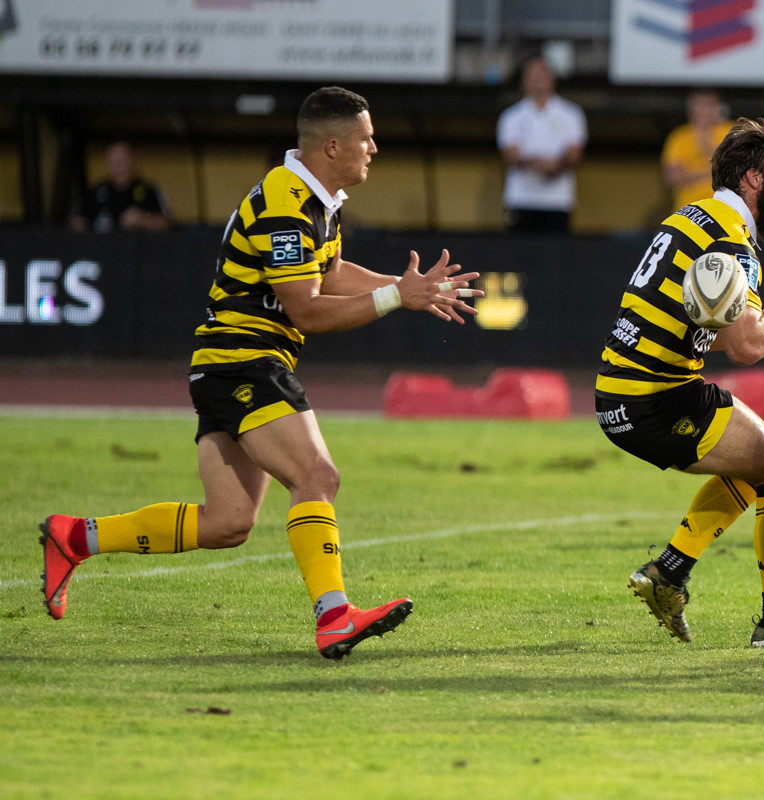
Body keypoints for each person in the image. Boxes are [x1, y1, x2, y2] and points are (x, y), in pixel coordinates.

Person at [39, 86, 483, 660]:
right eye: (366, 138)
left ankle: (74, 537)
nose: (374, 148)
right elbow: (307, 309)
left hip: (227, 364)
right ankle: (334, 617)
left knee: (227, 522)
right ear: (332, 145)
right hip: (242, 360)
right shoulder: (285, 203)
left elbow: (330, 271)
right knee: (317, 476)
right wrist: (397, 296)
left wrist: (407, 288)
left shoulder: (313, 198)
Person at [597, 117, 764, 649]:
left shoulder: (689, 218)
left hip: (621, 390)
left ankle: (669, 572)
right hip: (657, 397)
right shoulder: (731, 242)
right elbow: (748, 347)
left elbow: (721, 335)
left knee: (761, 462)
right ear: (752, 179)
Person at [496, 56, 588, 233]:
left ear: (553, 78)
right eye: (532, 75)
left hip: (558, 201)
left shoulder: (571, 114)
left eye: (542, 73)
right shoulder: (511, 116)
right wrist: (537, 163)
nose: (538, 79)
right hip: (521, 199)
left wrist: (555, 166)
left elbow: (575, 154)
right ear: (523, 81)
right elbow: (510, 156)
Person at [69, 140, 171, 233]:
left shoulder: (148, 190)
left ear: (133, 160)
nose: (120, 167)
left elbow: (167, 223)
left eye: (124, 161)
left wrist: (142, 219)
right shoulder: (95, 192)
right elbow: (75, 220)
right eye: (115, 162)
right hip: (101, 246)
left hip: (137, 246)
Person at [661, 88, 735, 210]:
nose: (702, 111)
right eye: (698, 105)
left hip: (725, 209)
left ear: (718, 107)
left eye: (707, 105)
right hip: (688, 210)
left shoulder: (731, 131)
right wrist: (714, 171)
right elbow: (673, 177)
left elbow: (736, 170)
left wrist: (706, 144)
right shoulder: (679, 137)